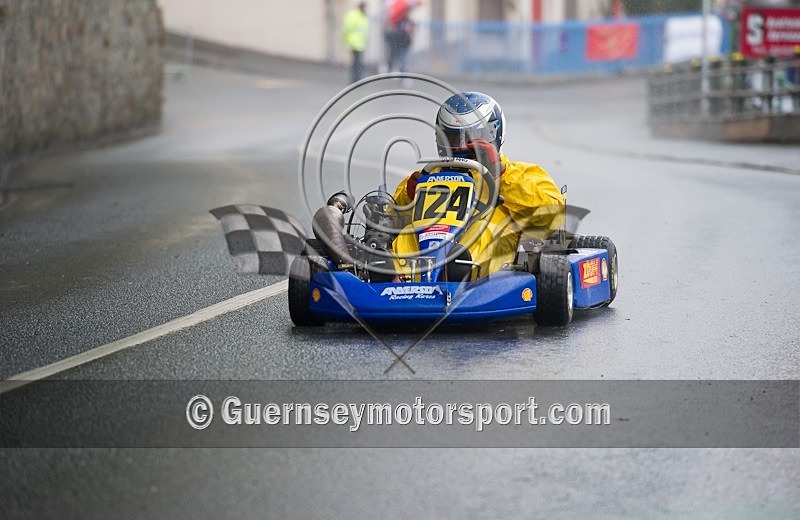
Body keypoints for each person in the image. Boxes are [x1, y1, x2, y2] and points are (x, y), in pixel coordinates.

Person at [391, 92, 565, 279]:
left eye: (473, 138)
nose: (464, 146)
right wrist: (408, 198)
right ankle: (396, 280)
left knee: (483, 230)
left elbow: (551, 215)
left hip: (490, 242)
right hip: (434, 237)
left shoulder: (521, 172)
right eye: (455, 139)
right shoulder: (428, 175)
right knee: (409, 234)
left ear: (494, 134)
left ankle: (458, 274)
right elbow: (394, 220)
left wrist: (499, 173)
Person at [384, 0, 418, 73]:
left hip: (405, 44)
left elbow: (412, 32)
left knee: (403, 60)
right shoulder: (400, 21)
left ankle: (403, 76)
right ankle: (391, 71)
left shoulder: (410, 21)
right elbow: (397, 32)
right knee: (396, 58)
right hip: (399, 43)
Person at [343, 2, 369, 83]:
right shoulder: (353, 16)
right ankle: (355, 79)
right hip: (354, 43)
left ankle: (357, 78)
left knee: (357, 62)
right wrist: (347, 40)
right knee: (356, 62)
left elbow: (365, 31)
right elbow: (347, 29)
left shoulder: (364, 16)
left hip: (361, 44)